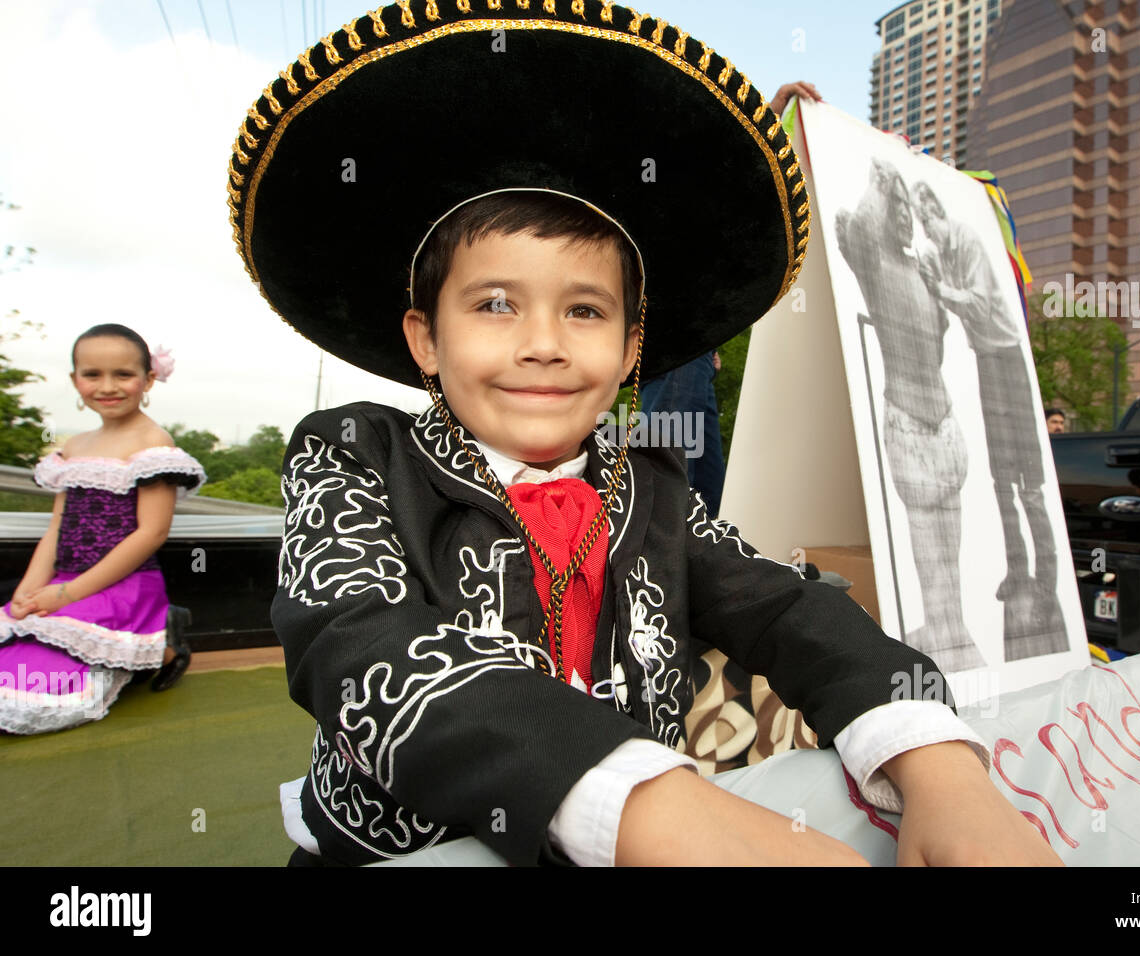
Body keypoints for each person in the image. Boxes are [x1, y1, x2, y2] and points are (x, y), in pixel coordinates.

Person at [233, 1, 1059, 866]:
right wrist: (650, 805)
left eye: (584, 310)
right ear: (425, 339)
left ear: (632, 349)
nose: (543, 343)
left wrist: (935, 765)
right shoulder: (353, 456)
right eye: (494, 305)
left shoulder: (653, 490)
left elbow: (789, 608)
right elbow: (356, 640)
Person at [0, 325, 205, 734]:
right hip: (65, 580)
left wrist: (67, 594)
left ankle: (165, 645)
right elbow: (57, 526)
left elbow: (150, 533)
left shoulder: (153, 444)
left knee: (34, 685)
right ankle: (156, 640)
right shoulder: (74, 447)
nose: (107, 386)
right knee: (18, 633)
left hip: (123, 584)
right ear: (75, 379)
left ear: (148, 380)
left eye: (123, 375)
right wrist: (29, 589)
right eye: (92, 374)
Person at [639, 80, 823, 519]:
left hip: (693, 352)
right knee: (670, 473)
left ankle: (702, 578)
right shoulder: (661, 181)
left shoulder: (692, 201)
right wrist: (771, 111)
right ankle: (649, 571)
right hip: (674, 348)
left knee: (703, 487)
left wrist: (710, 342)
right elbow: (729, 162)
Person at [835, 158, 983, 673]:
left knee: (950, 550)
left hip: (943, 427)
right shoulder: (871, 254)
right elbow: (862, 221)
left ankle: (951, 629)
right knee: (929, 549)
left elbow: (940, 342)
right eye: (895, 203)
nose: (902, 214)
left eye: (905, 205)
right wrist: (882, 168)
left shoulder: (919, 267)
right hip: (913, 429)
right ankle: (943, 636)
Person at [911, 180, 1067, 656]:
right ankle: (1017, 570)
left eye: (926, 219)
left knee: (1030, 483)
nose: (927, 231)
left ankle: (1046, 580)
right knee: (1001, 477)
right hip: (984, 358)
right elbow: (937, 294)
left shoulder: (967, 239)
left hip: (1008, 357)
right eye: (921, 223)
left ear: (937, 213)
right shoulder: (938, 248)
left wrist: (941, 286)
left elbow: (974, 301)